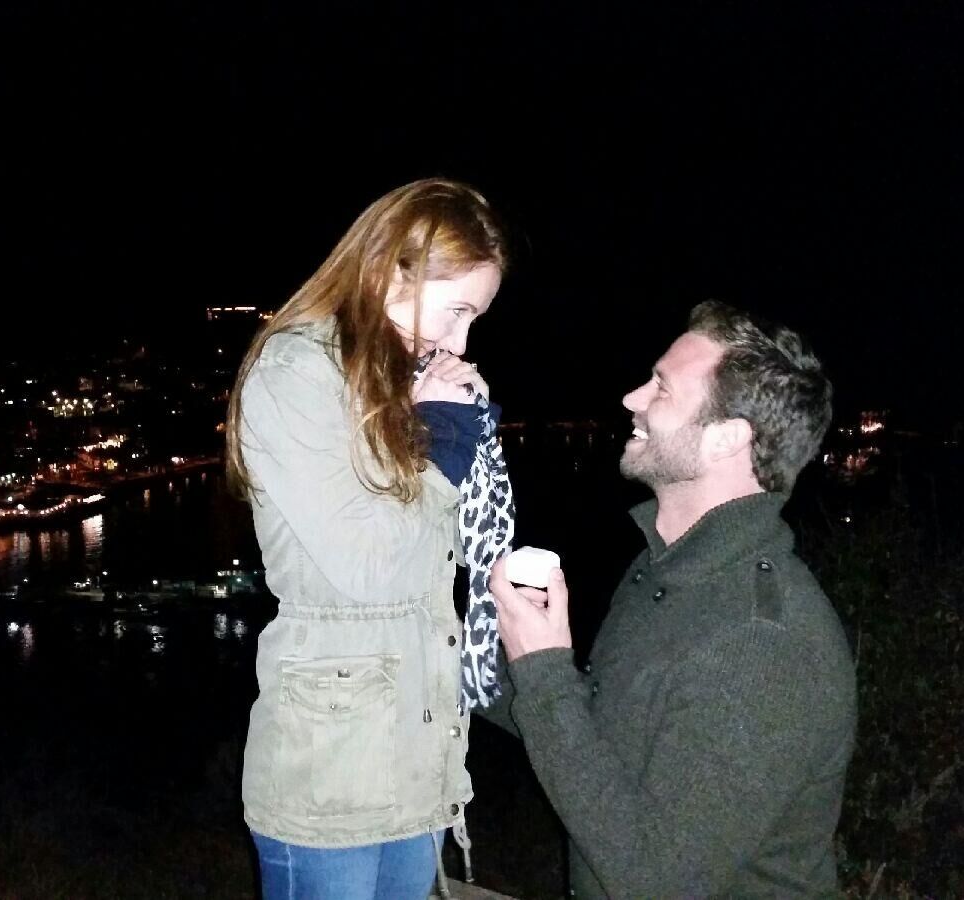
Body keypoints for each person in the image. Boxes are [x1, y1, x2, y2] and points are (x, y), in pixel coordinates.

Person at [484, 300, 857, 898]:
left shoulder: (763, 643)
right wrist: (459, 662)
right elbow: (599, 738)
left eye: (660, 387)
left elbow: (656, 877)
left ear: (725, 439)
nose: (633, 399)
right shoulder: (669, 572)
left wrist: (545, 669)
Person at [226, 177, 509, 899]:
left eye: (474, 321)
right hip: (328, 771)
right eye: (455, 312)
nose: (460, 341)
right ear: (389, 269)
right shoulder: (296, 371)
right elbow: (368, 566)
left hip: (415, 753)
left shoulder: (391, 378)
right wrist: (443, 440)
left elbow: (429, 560)